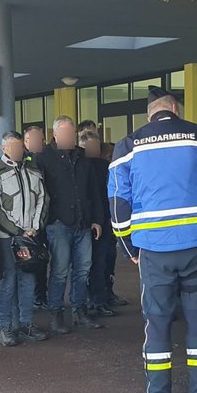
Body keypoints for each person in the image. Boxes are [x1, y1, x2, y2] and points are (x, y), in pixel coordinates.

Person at [108, 87, 197, 393]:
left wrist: (128, 247)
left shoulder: (128, 146)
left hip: (154, 249)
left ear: (149, 114)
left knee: (157, 323)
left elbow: (118, 206)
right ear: (175, 109)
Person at [36, 116, 106, 334]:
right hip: (58, 223)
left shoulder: (82, 157)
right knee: (59, 271)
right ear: (55, 135)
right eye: (66, 133)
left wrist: (97, 219)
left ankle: (79, 311)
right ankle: (56, 314)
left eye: (72, 133)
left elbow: (93, 190)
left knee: (83, 269)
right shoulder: (43, 158)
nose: (70, 137)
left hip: (83, 222)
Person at [0, 131, 50, 346]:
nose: (19, 150)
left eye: (21, 146)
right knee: (8, 282)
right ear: (4, 148)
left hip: (30, 235)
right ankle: (7, 328)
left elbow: (43, 198)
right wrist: (17, 231)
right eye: (14, 147)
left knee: (28, 280)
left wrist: (34, 227)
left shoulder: (33, 168)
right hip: (6, 238)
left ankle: (26, 324)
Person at [81, 129, 118, 317]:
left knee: (104, 260)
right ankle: (90, 300)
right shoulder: (79, 167)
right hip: (85, 222)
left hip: (104, 219)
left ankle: (103, 297)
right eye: (91, 146)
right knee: (87, 264)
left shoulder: (104, 166)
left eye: (96, 146)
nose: (95, 149)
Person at [21, 125, 49, 307]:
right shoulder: (25, 162)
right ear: (26, 141)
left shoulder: (46, 158)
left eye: (41, 139)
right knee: (30, 261)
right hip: (28, 223)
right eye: (36, 139)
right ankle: (35, 297)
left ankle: (40, 295)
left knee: (42, 260)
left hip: (44, 219)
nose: (40, 142)